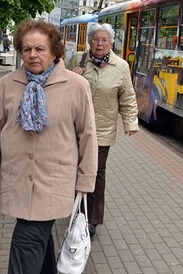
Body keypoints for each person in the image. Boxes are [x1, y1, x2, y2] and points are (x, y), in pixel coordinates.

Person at [0, 20, 98, 274]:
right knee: (37, 240)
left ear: (55, 51)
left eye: (40, 49)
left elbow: (87, 136)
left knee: (27, 240)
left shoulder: (76, 86)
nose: (33, 55)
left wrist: (86, 182)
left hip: (54, 181)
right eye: (27, 49)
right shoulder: (7, 85)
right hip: (18, 177)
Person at [67, 22, 139, 236]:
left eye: (104, 40)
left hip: (103, 129)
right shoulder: (78, 60)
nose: (99, 43)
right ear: (89, 41)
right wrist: (73, 77)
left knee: (96, 173)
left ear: (111, 42)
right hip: (75, 128)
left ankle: (93, 220)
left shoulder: (121, 66)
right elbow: (60, 87)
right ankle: (76, 212)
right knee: (75, 170)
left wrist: (130, 122)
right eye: (96, 39)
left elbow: (127, 96)